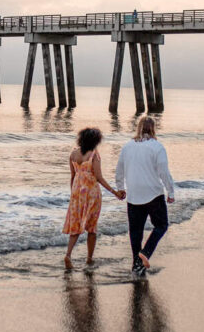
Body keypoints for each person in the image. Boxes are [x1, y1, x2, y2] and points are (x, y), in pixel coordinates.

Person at [115, 116, 175, 277]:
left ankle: (137, 265)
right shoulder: (157, 147)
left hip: (134, 194)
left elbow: (119, 169)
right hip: (153, 194)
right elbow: (163, 172)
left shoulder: (127, 146)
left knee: (135, 231)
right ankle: (146, 253)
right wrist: (171, 191)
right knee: (161, 225)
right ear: (153, 129)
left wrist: (120, 188)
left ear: (138, 128)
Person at [63, 127, 124, 268]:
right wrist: (115, 192)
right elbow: (99, 178)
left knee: (76, 225)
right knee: (91, 227)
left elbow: (72, 177)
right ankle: (89, 258)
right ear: (95, 141)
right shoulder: (94, 155)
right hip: (91, 194)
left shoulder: (73, 154)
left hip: (77, 193)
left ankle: (68, 255)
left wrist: (73, 194)